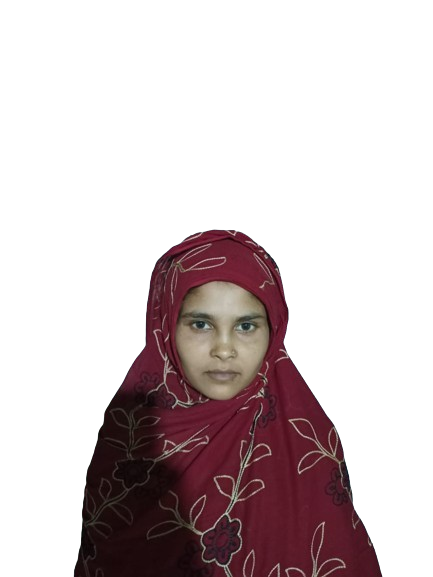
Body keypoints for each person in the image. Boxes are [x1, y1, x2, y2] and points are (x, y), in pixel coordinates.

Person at [75, 230, 382, 577]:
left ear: (274, 330)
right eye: (201, 324)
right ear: (166, 325)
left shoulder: (306, 443)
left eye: (246, 326)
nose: (224, 349)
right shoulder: (129, 437)